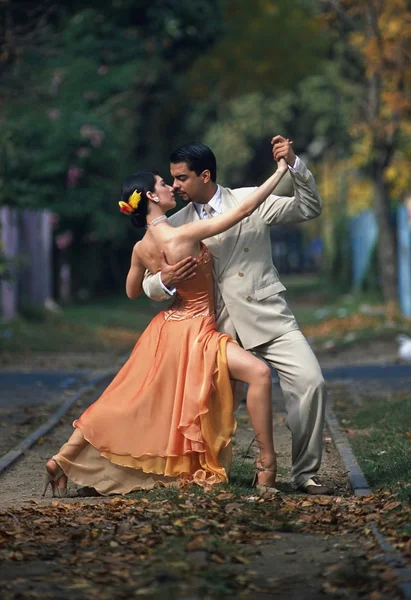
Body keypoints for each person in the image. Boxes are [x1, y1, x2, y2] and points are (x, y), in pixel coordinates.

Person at [42, 145, 289, 498]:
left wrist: (165, 278)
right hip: (195, 332)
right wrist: (280, 172)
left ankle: (63, 459)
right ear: (150, 197)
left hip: (165, 330)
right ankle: (268, 467)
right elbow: (246, 208)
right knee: (259, 374)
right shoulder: (181, 234)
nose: (171, 186)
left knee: (129, 400)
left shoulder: (142, 246)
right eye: (162, 183)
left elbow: (131, 291)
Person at [142, 136, 333, 496]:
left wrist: (294, 165)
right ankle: (212, 473)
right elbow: (148, 281)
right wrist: (165, 281)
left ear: (205, 175)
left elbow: (308, 208)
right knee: (205, 407)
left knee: (312, 383)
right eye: (172, 179)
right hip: (214, 328)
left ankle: (304, 473)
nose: (175, 186)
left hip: (268, 317)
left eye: (182, 178)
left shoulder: (250, 198)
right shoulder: (174, 223)